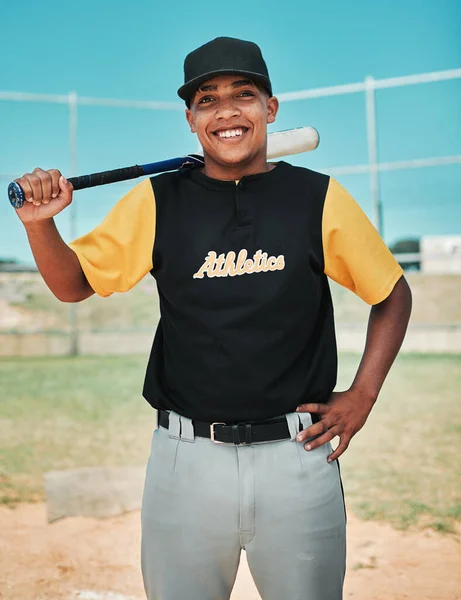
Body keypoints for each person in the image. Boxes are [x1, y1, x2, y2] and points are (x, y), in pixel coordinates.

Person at [14, 36, 412, 600]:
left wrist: (363, 394)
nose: (226, 111)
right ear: (190, 118)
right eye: (208, 99)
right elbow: (74, 284)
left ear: (270, 109)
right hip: (186, 460)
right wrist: (40, 225)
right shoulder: (158, 200)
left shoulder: (316, 197)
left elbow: (392, 293)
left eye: (243, 94)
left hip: (298, 459)